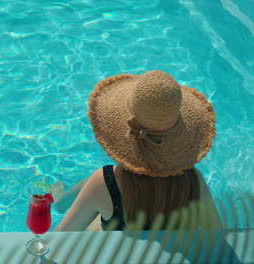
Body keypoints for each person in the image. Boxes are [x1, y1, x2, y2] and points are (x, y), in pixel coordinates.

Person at [54, 70, 221, 231]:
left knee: (102, 181)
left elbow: (57, 240)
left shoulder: (104, 184)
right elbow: (216, 238)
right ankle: (65, 200)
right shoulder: (195, 183)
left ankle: (62, 202)